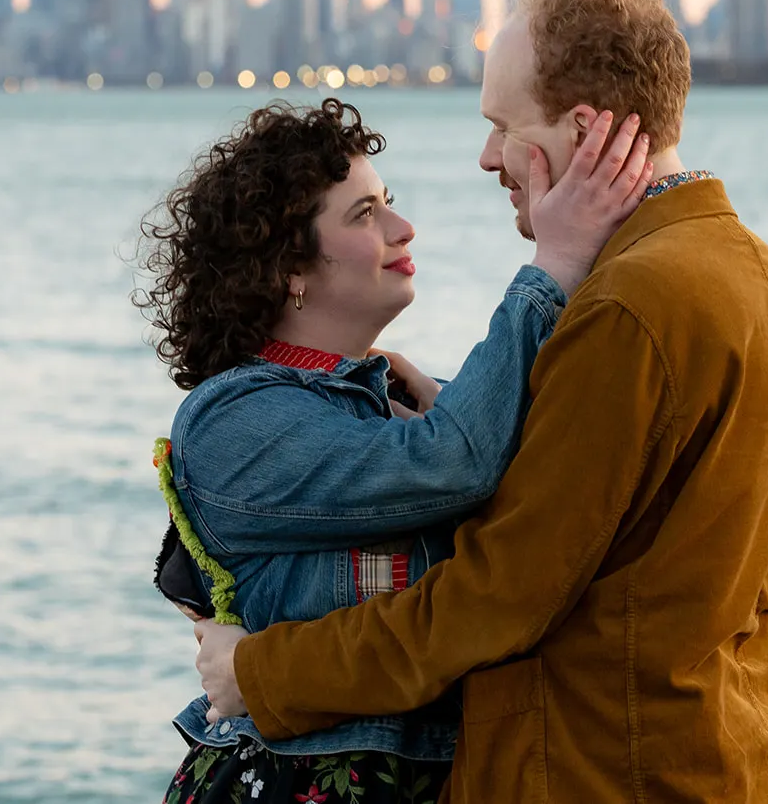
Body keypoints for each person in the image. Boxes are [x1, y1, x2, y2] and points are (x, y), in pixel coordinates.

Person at [194, 0, 768, 803]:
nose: (488, 155)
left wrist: (262, 673)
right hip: (721, 761)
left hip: (590, 774)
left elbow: (497, 596)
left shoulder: (627, 308)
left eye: (505, 125)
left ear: (583, 130)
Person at [137, 96, 654, 804]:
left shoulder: (399, 405)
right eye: (363, 215)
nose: (403, 227)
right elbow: (455, 464)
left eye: (389, 203)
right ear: (288, 268)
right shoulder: (233, 420)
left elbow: (530, 506)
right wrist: (555, 263)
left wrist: (439, 400)